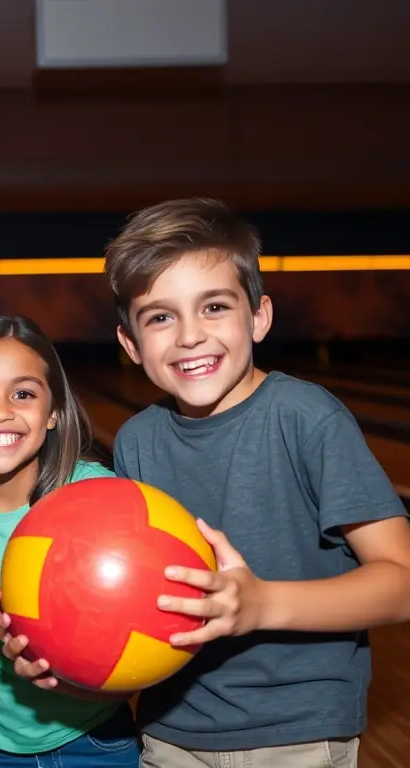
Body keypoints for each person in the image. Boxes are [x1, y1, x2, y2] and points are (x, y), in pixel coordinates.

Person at [104, 198, 410, 766]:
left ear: (259, 317)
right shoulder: (136, 441)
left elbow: (401, 582)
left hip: (297, 730)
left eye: (214, 306)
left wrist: (262, 604)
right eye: (161, 316)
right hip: (171, 728)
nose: (190, 336)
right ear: (131, 344)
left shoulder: (307, 418)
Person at [0, 314, 139, 767]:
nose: (0, 410)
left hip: (98, 738)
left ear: (53, 415)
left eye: (23, 394)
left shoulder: (96, 498)